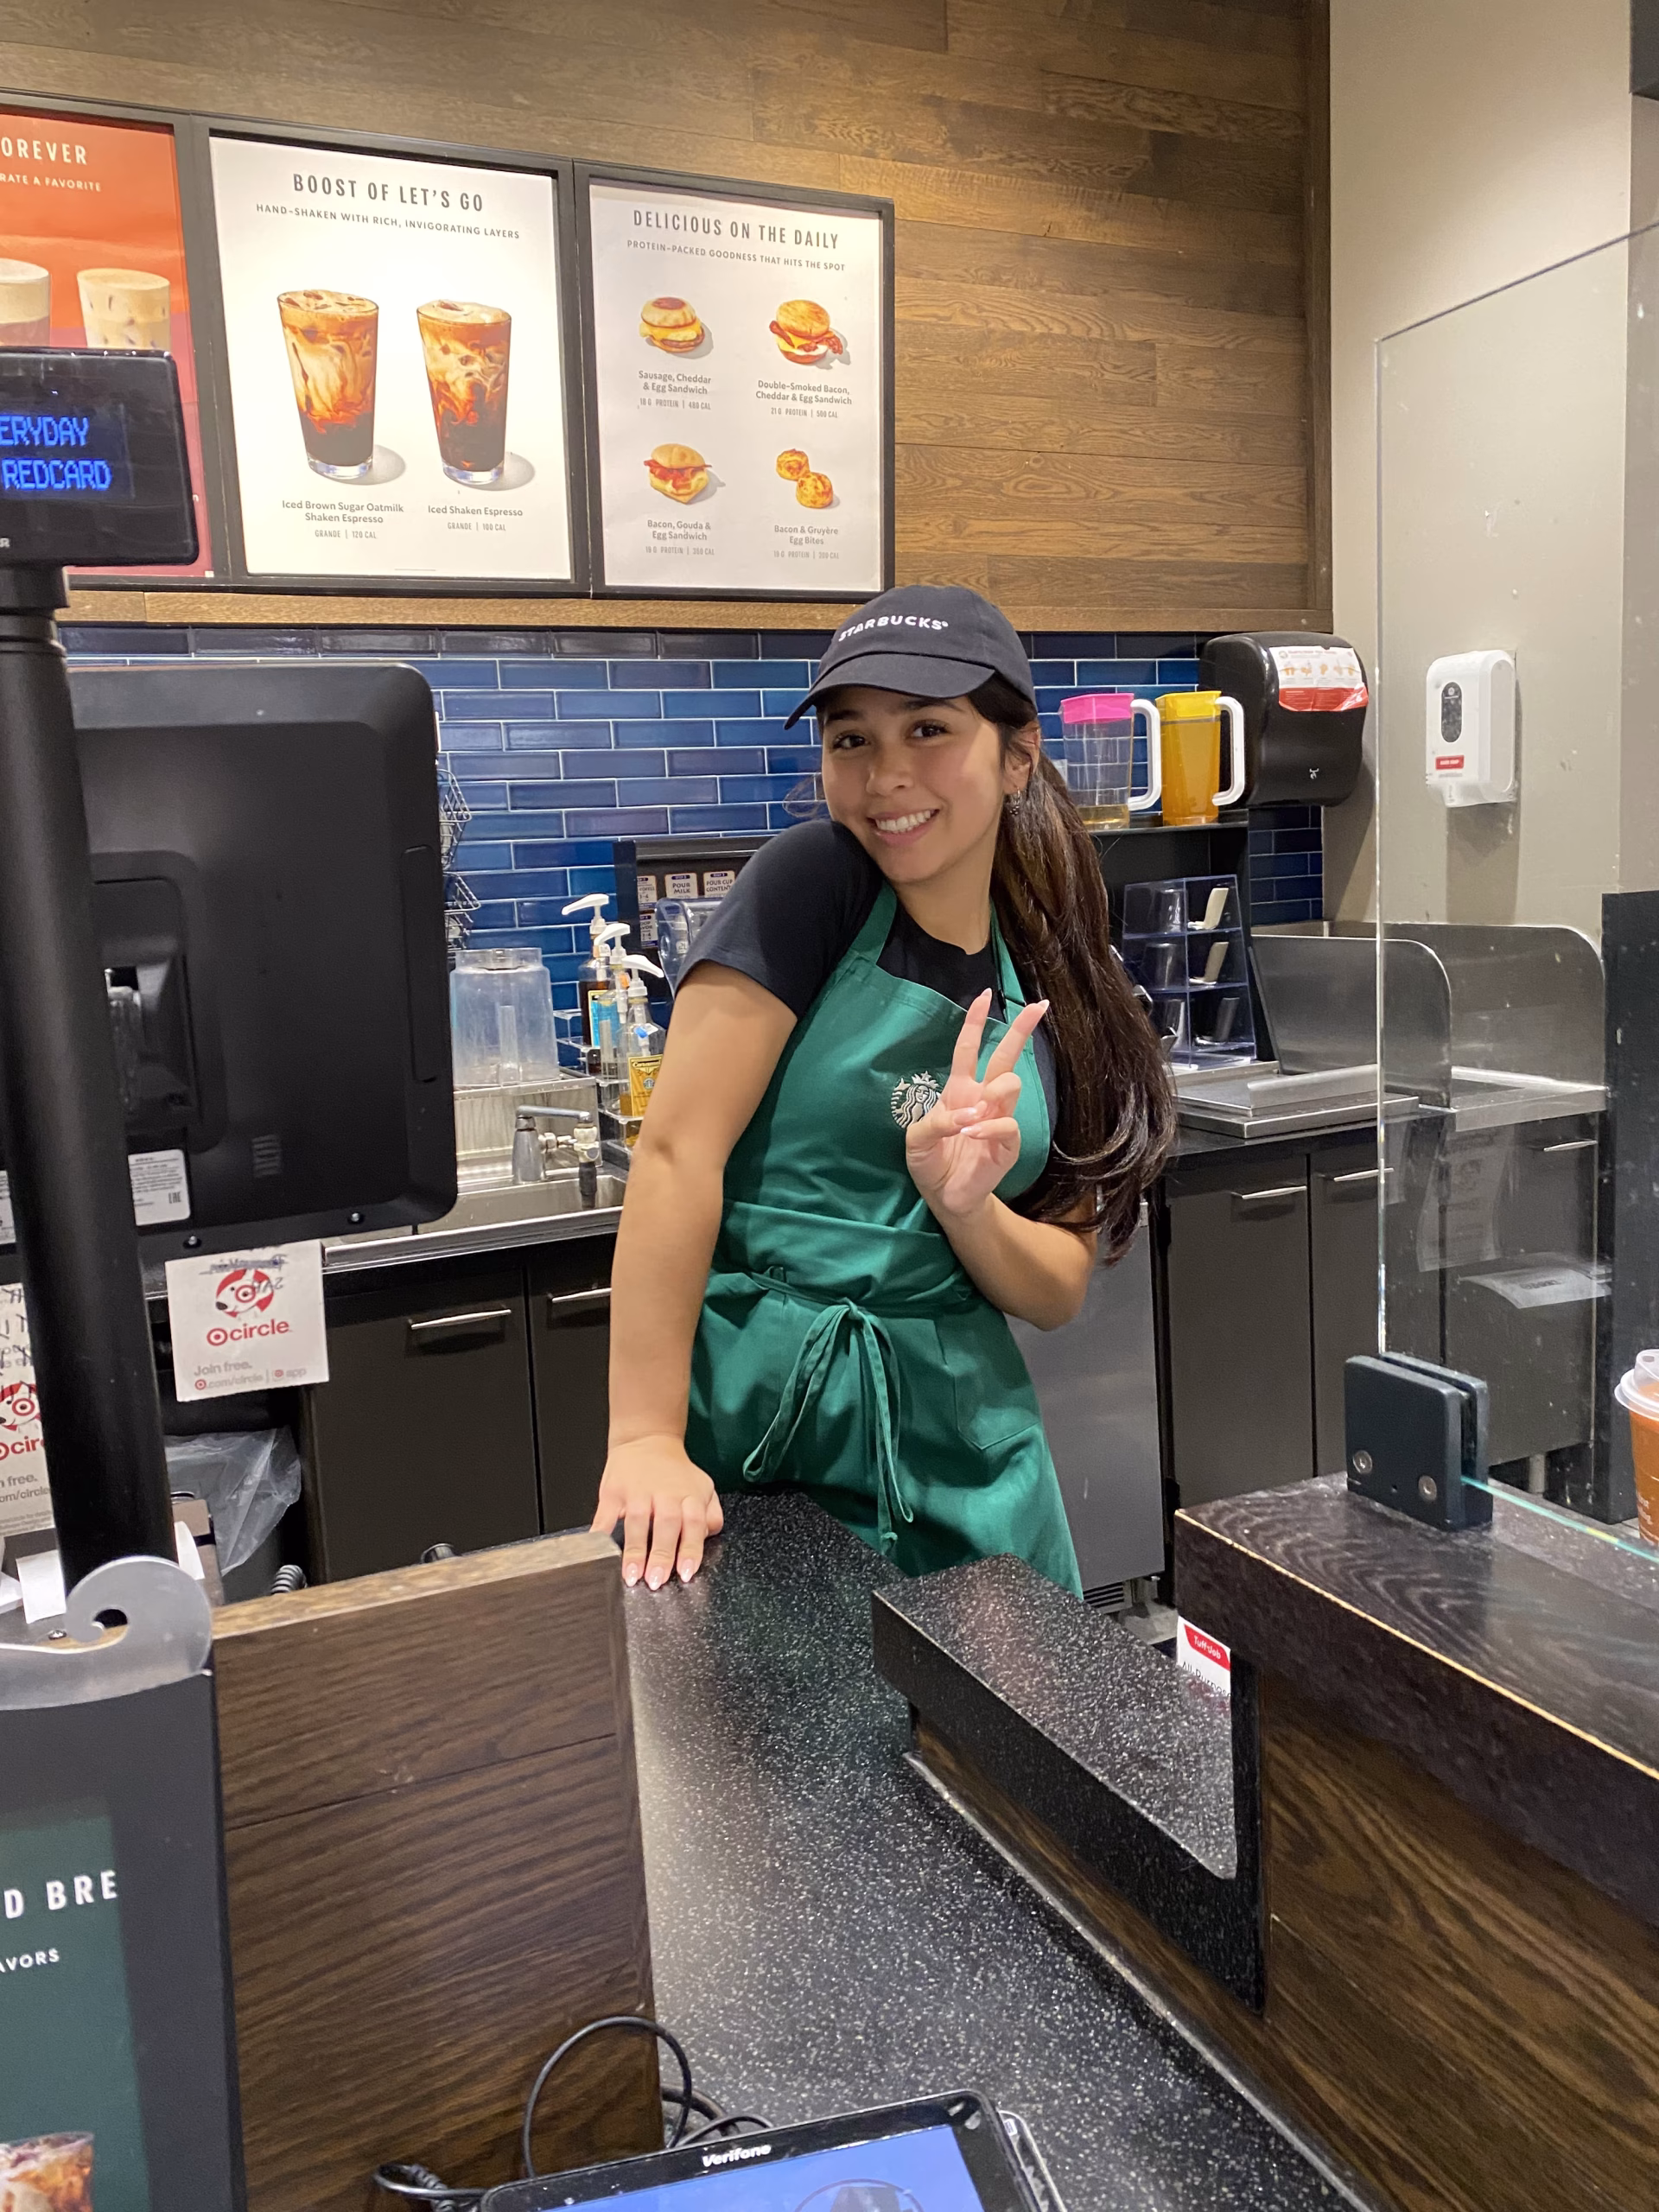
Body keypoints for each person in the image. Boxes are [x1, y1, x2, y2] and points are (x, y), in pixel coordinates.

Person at [591, 584, 1175, 1593]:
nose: (887, 774)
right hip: (765, 1445)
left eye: (929, 729)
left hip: (970, 1463)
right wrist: (645, 1435)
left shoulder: (1057, 976)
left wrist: (965, 1208)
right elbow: (679, 1152)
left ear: (1019, 754)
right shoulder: (810, 884)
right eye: (851, 739)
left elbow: (1057, 1288)